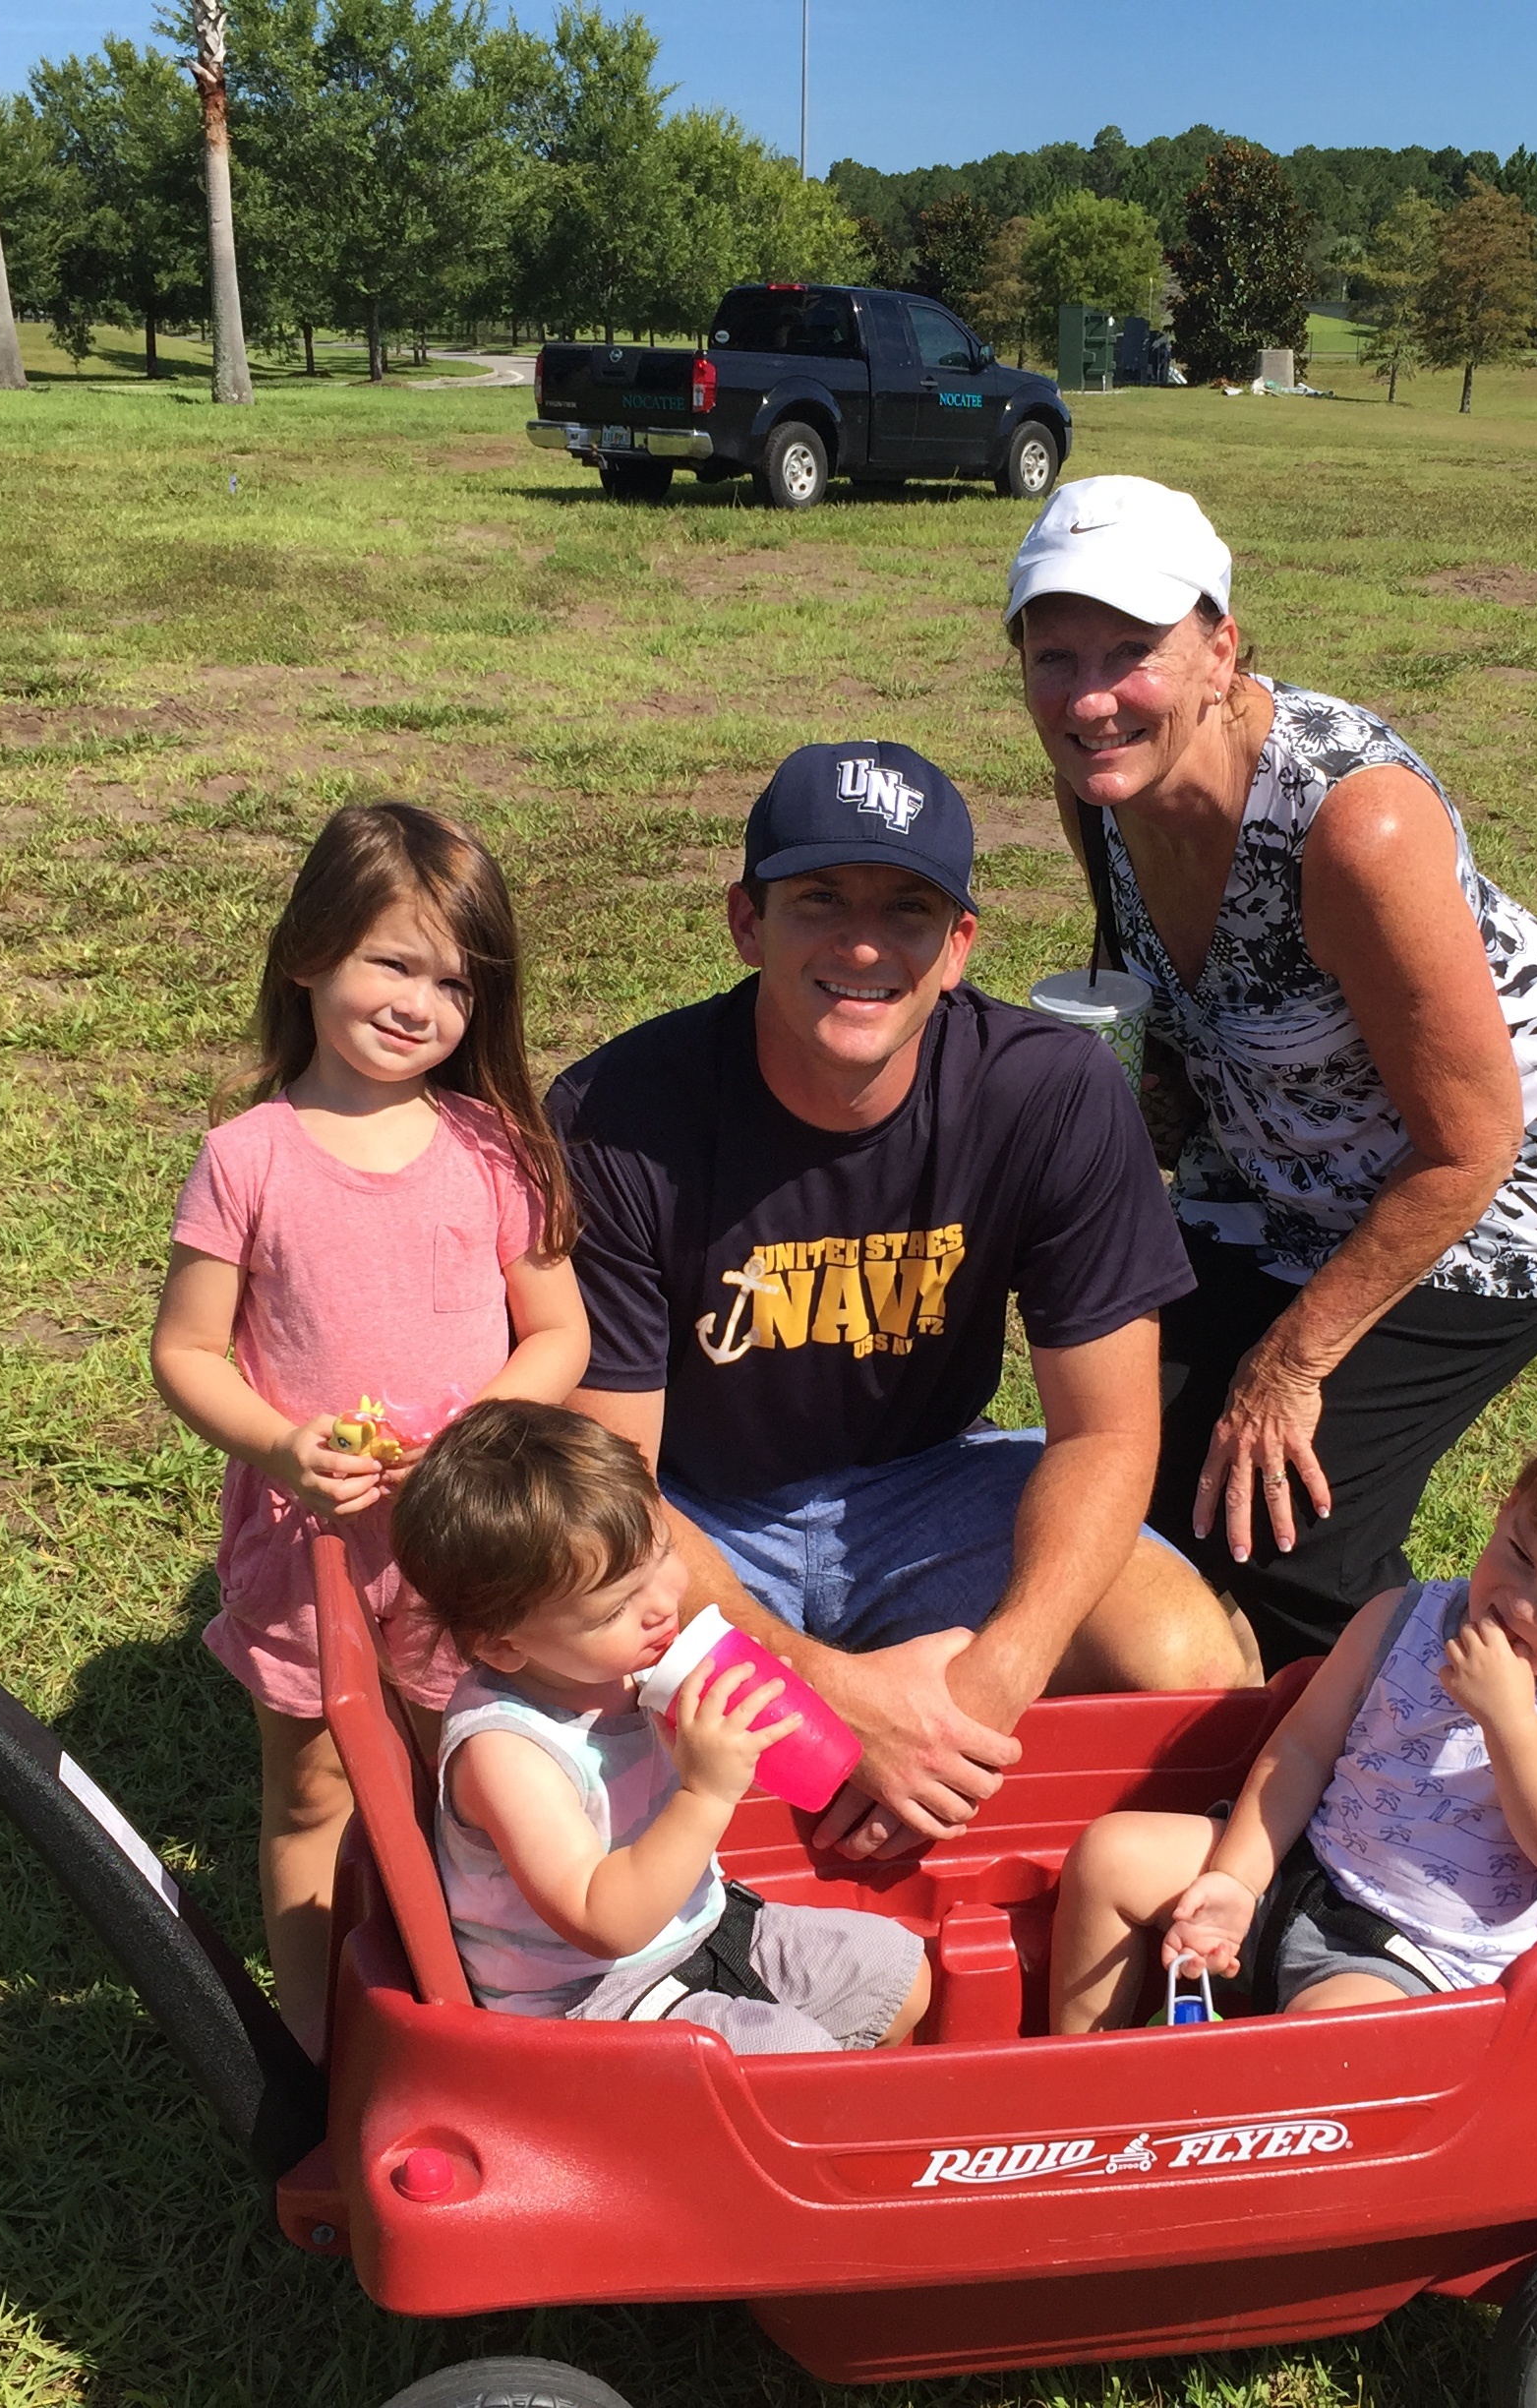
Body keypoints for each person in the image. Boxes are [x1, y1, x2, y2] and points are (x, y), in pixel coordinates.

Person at [548, 741, 1253, 1867]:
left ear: (960, 945)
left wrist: (988, 1681)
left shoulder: (1049, 1091)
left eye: (908, 909)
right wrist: (826, 1696)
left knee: (1192, 1665)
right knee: (543, 1754)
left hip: (928, 1485)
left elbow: (1109, 1429)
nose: (864, 945)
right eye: (820, 900)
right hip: (690, 1511)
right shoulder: (615, 1116)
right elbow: (610, 1483)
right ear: (746, 922)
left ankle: (1094, 1931)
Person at [1005, 476, 1537, 1670]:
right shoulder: (1104, 783)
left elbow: (1470, 1143)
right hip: (1269, 1152)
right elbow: (1153, 1002)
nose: (1090, 698)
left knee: (1285, 1518)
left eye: (1132, 652)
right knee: (1124, 1450)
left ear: (1219, 648)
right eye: (1055, 656)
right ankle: (1197, 1720)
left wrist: (1287, 1364)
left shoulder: (1357, 825)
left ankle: (1411, 1774)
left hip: (1495, 1180)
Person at [150, 804, 589, 2052]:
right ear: (309, 955)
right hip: (314, 1542)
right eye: (393, 962)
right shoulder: (248, 1159)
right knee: (314, 1790)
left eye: (455, 982)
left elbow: (559, 1336)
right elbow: (185, 1350)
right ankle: (319, 2045)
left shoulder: (492, 1148)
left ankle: (488, 2011)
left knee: (482, 1773)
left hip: (468, 1542)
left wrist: (480, 1436)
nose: (421, 1003)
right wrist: (284, 1444)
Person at [1047, 1404, 1537, 2031]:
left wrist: (1510, 1721)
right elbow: (1301, 1751)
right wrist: (1236, 1881)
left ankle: (1229, 2139)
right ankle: (1079, 2079)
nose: (1521, 1603)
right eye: (1519, 1554)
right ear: (1506, 1509)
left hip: (1409, 1961)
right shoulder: (1401, 1619)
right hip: (1302, 1871)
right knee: (1111, 1858)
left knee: (1326, 2037)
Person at [397, 1401, 932, 2051]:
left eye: (661, 1557)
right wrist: (704, 1794)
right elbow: (602, 1920)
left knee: (896, 1973)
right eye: (615, 1607)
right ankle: (756, 2135)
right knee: (793, 2060)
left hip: (698, 1924)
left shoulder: (626, 1666)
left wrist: (762, 1717)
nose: (662, 1604)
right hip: (589, 2002)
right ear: (504, 1647)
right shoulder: (508, 1752)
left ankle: (795, 2117)